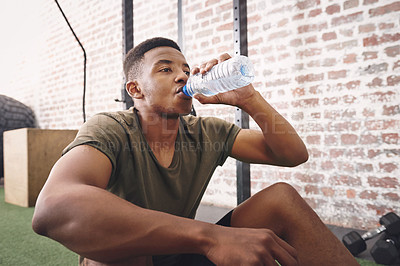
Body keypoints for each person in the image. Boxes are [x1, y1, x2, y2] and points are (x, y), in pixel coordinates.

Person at [32, 37, 358, 266]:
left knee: (281, 199)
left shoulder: (205, 132)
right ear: (135, 89)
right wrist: (210, 237)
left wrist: (249, 99)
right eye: (165, 69)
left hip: (184, 255)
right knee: (117, 257)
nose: (183, 76)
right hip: (134, 256)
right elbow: (53, 208)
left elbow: (292, 154)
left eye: (185, 69)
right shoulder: (111, 128)